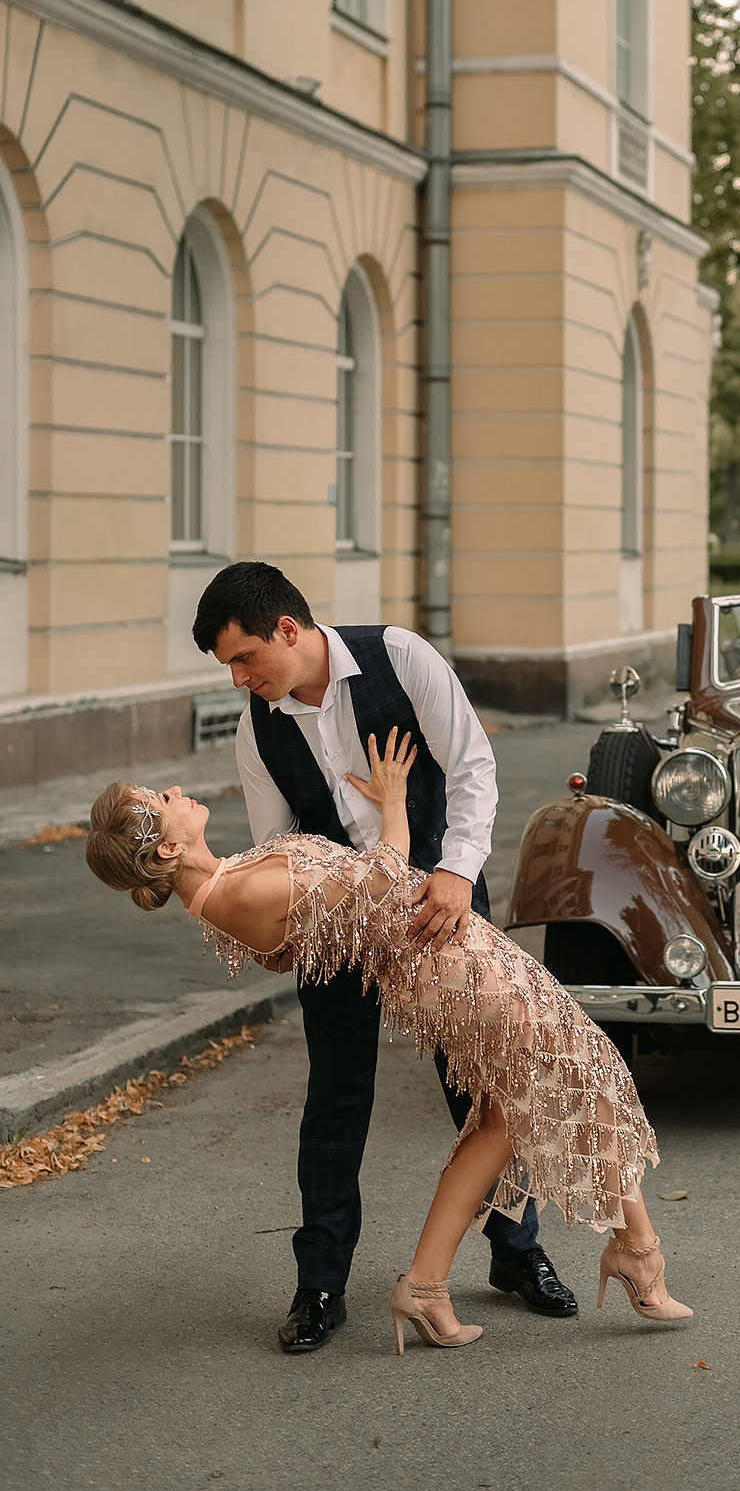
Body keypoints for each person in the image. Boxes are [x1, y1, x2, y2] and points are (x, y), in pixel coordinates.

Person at [84, 735, 691, 1349]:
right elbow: (385, 879)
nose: (180, 792)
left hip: (443, 953)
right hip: (449, 966)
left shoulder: (219, 884)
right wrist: (393, 802)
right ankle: (635, 1255)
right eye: (165, 798)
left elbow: (308, 937)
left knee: (512, 1113)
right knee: (578, 1073)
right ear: (167, 846)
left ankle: (436, 1285)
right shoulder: (238, 893)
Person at [187, 561, 575, 1353]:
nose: (238, 679)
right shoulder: (257, 730)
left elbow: (473, 768)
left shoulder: (401, 657)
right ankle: (320, 1284)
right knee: (336, 1098)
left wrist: (458, 871)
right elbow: (277, 850)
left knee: (483, 1087)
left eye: (244, 658)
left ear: (288, 631)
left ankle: (517, 1251)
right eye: (227, 666)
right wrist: (277, 932)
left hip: (442, 901)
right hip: (340, 932)